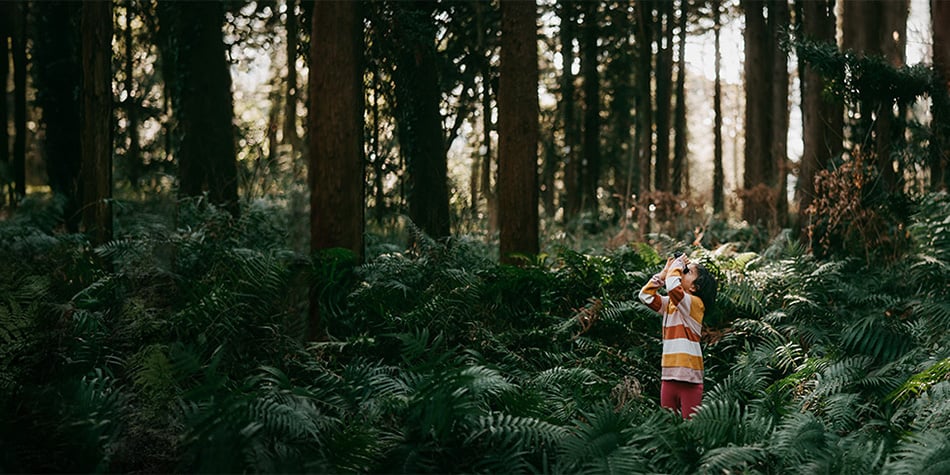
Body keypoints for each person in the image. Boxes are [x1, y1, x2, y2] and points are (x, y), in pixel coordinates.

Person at [638, 253, 718, 419]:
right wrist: (663, 274)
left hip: (690, 378)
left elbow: (673, 287)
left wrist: (678, 263)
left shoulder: (695, 305)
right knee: (667, 426)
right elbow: (645, 296)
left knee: (691, 428)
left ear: (694, 287)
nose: (682, 271)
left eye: (687, 271)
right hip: (669, 375)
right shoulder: (670, 304)